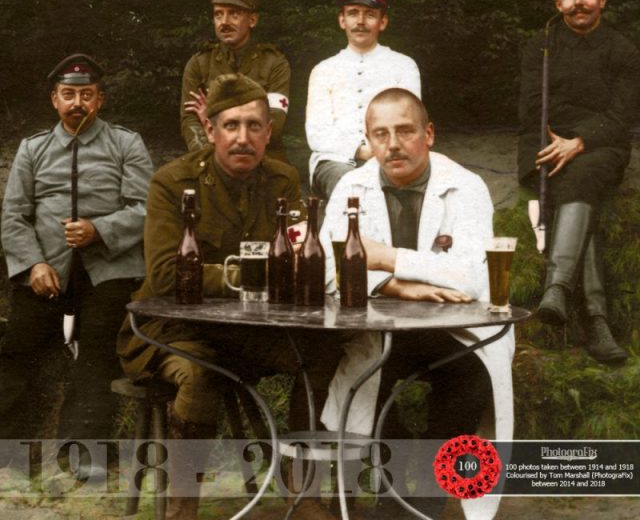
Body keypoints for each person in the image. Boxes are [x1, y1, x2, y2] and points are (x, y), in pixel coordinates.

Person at [118, 73, 343, 520]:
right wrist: (249, 275)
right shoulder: (173, 182)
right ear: (210, 130)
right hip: (177, 330)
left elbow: (298, 252)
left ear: (268, 131)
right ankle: (181, 509)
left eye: (255, 126)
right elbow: (166, 275)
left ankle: (304, 492)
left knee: (320, 358)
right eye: (231, 126)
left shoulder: (281, 179)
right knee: (199, 376)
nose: (244, 138)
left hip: (250, 330)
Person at [320, 88, 514, 520]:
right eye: (380, 134)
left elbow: (471, 278)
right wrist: (396, 286)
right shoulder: (351, 185)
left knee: (470, 379)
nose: (392, 144)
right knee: (371, 376)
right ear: (368, 141)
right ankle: (385, 491)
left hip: (451, 328)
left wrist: (385, 257)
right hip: (379, 325)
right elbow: (328, 269)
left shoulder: (465, 186)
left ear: (428, 133)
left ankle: (426, 490)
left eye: (405, 131)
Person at [0, 54, 152, 454]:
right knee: (15, 349)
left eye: (86, 94)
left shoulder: (125, 143)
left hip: (109, 269)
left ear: (100, 100)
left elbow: (146, 208)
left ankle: (84, 457)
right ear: (54, 99)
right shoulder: (33, 149)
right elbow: (14, 215)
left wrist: (99, 229)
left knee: (100, 353)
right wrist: (34, 263)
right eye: (68, 94)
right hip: (46, 269)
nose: (77, 103)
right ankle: (9, 454)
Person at [518, 0, 640, 365]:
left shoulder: (622, 50)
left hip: (602, 146)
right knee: (573, 179)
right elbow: (533, 107)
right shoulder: (542, 46)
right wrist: (555, 147)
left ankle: (557, 288)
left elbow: (623, 115)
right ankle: (597, 321)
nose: (579, 2)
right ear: (558, 4)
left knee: (584, 173)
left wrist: (582, 140)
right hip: (548, 144)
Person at [306, 0, 421, 200]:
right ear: (342, 21)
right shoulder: (323, 70)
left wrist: (381, 151)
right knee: (350, 187)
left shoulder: (403, 66)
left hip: (391, 156)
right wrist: (359, 151)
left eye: (370, 15)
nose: (360, 22)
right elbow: (317, 133)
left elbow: (410, 124)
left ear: (383, 22)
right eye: (352, 14)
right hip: (335, 160)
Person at [180, 0, 291, 161]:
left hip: (263, 159)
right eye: (218, 14)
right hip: (208, 158)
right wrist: (212, 158)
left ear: (253, 20)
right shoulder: (199, 63)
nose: (224, 22)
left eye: (234, 14)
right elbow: (189, 121)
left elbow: (275, 124)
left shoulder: (274, 63)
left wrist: (211, 116)